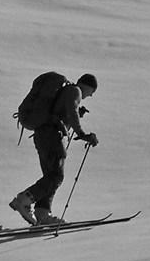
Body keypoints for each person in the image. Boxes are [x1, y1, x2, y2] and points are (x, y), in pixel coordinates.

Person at [10, 72, 98, 227]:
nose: (89, 96)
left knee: (51, 176)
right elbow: (72, 111)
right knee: (56, 176)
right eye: (92, 92)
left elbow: (63, 113)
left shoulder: (67, 91)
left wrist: (75, 116)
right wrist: (83, 134)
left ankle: (42, 214)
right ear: (88, 86)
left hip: (42, 135)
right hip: (51, 136)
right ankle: (24, 200)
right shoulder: (75, 91)